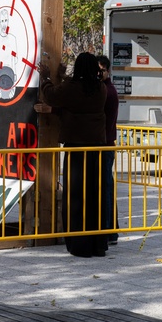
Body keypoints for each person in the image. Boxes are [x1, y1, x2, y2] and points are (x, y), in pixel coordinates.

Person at [40, 52, 109, 258]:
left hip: (76, 149)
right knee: (95, 197)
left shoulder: (73, 87)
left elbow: (53, 95)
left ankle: (79, 244)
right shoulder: (101, 89)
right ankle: (98, 244)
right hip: (97, 148)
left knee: (76, 197)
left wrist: (46, 78)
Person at [97, 55, 120, 245]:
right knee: (106, 188)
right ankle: (110, 230)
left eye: (101, 70)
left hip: (104, 146)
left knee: (105, 188)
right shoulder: (103, 89)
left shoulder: (107, 92)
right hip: (104, 145)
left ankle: (107, 230)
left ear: (108, 71)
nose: (98, 74)